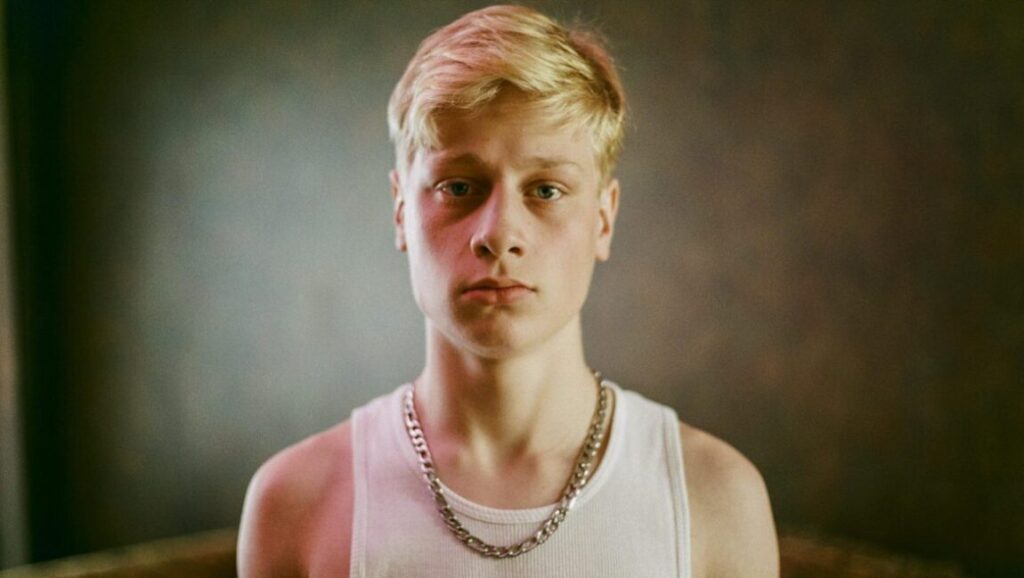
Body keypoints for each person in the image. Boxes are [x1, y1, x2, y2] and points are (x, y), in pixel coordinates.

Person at [238, 5, 778, 577]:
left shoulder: (716, 499)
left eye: (546, 190)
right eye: (459, 187)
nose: (499, 234)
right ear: (401, 211)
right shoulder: (297, 502)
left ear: (603, 219)